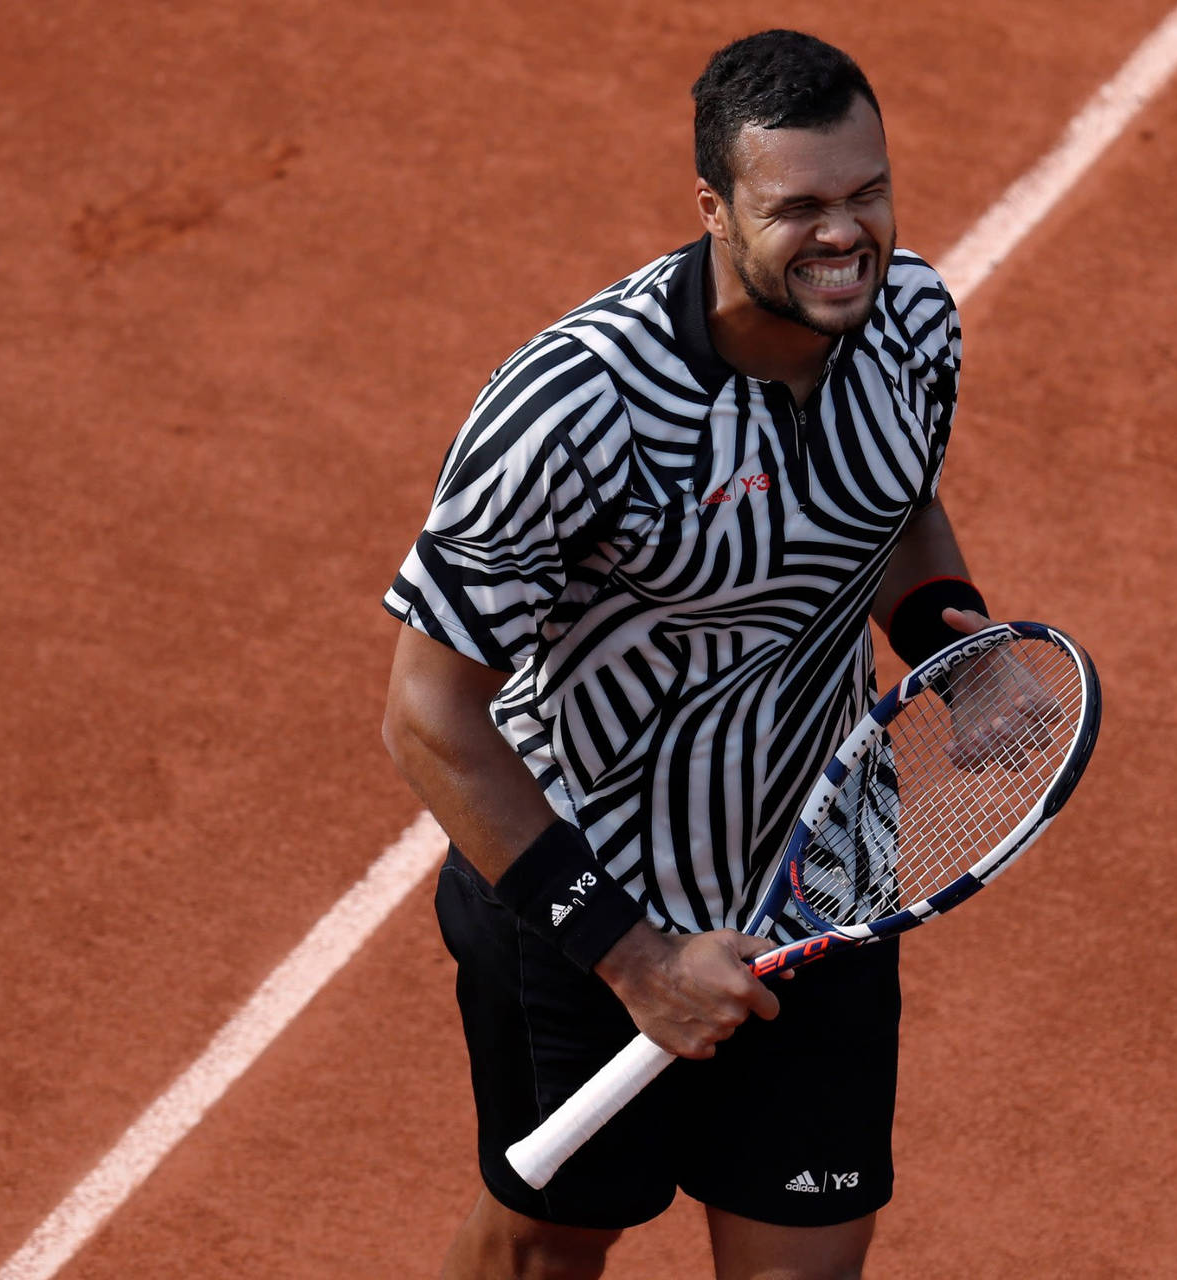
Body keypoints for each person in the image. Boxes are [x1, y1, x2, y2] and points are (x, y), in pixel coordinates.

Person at [380, 29, 1004, 1280]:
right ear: (714, 209)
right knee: (549, 1242)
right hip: (588, 901)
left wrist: (958, 643)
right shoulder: (576, 408)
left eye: (869, 192)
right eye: (802, 208)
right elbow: (428, 714)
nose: (848, 237)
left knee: (805, 1260)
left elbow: (897, 504)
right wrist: (638, 958)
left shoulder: (914, 322)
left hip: (820, 883)